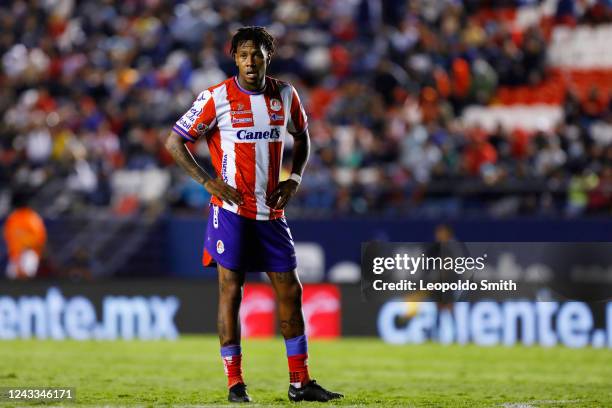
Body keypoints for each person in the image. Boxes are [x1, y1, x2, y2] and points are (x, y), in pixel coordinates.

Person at [165, 26, 343, 403]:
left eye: (257, 54)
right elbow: (174, 140)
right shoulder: (216, 98)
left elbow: (303, 136)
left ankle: (300, 383)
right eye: (244, 54)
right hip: (230, 212)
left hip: (271, 213)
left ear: (268, 56)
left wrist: (294, 177)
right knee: (231, 293)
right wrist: (207, 182)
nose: (250, 61)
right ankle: (235, 383)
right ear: (235, 58)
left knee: (291, 292)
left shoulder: (285, 95)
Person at [3, 193, 47, 279]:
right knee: (12, 281)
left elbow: (37, 240)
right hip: (16, 255)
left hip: (27, 253)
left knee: (24, 278)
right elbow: (8, 237)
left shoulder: (30, 217)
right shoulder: (15, 218)